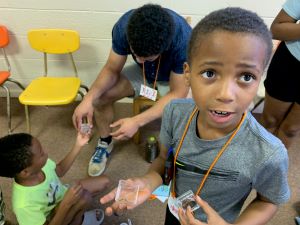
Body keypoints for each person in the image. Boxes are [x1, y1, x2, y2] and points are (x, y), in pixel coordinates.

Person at [100, 7, 290, 225]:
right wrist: (148, 181)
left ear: (260, 79)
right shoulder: (174, 113)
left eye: (246, 76)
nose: (225, 94)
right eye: (210, 73)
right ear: (188, 74)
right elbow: (164, 160)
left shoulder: (269, 153)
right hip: (175, 211)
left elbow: (268, 201)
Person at [72, 4, 191, 177]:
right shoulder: (124, 27)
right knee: (100, 97)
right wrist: (87, 99)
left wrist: (137, 121)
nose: (140, 60)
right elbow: (112, 68)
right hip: (143, 76)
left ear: (164, 49)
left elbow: (178, 92)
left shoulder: (184, 41)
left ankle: (173, 154)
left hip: (171, 77)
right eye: (136, 55)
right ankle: (105, 142)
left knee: (184, 109)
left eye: (147, 57)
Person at [0, 132, 110, 225]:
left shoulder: (40, 166)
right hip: (52, 219)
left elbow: (60, 169)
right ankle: (78, 220)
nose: (46, 153)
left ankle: (76, 212)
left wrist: (78, 145)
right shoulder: (23, 205)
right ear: (25, 172)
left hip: (60, 196)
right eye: (41, 153)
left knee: (104, 181)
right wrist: (66, 203)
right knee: (85, 198)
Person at [260, 0, 300, 149]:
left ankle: (275, 167)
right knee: (270, 121)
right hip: (291, 62)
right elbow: (276, 29)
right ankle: (255, 164)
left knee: (291, 130)